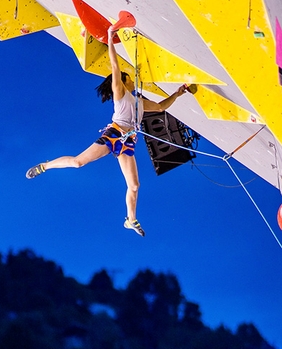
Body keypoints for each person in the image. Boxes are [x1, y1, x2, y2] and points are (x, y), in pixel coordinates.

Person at [25, 26, 194, 236]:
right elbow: (115, 67)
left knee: (134, 186)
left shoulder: (139, 102)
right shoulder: (121, 95)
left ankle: (131, 220)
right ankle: (45, 166)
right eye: (128, 78)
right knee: (78, 163)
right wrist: (110, 37)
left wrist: (178, 94)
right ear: (123, 82)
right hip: (113, 136)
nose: (132, 79)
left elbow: (160, 107)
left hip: (128, 143)